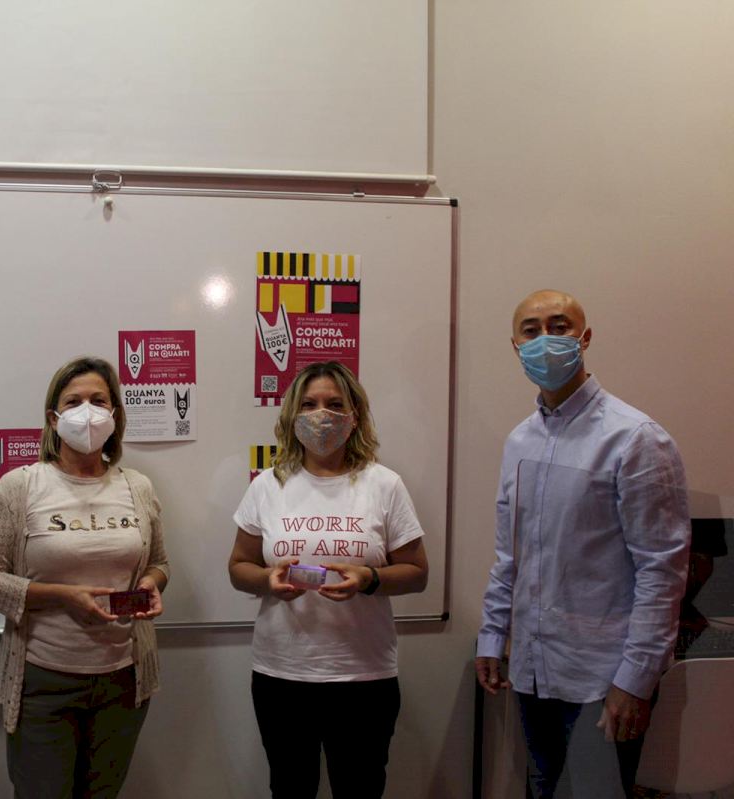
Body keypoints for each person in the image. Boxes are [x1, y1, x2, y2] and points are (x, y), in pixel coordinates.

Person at [475, 289, 690, 799]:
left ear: (584, 337)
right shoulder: (520, 441)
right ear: (515, 345)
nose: (545, 340)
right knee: (546, 789)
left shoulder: (635, 438)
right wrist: (492, 635)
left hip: (602, 679)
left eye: (559, 326)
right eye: (531, 331)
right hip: (532, 671)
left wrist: (635, 680)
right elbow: (510, 555)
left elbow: (661, 571)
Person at [0, 356, 169, 799]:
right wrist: (61, 596)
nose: (87, 411)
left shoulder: (137, 487)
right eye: (73, 402)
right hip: (43, 680)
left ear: (114, 414)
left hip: (123, 678)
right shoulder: (20, 487)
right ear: (53, 418)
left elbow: (159, 563)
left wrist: (152, 584)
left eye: (99, 400)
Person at [228, 360, 429, 799]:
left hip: (363, 677)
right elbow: (239, 566)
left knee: (360, 789)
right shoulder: (268, 485)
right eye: (309, 404)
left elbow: (417, 573)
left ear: (354, 416)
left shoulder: (384, 484)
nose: (322, 414)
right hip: (282, 675)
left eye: (335, 404)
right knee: (290, 788)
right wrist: (267, 580)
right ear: (291, 415)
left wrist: (369, 578)